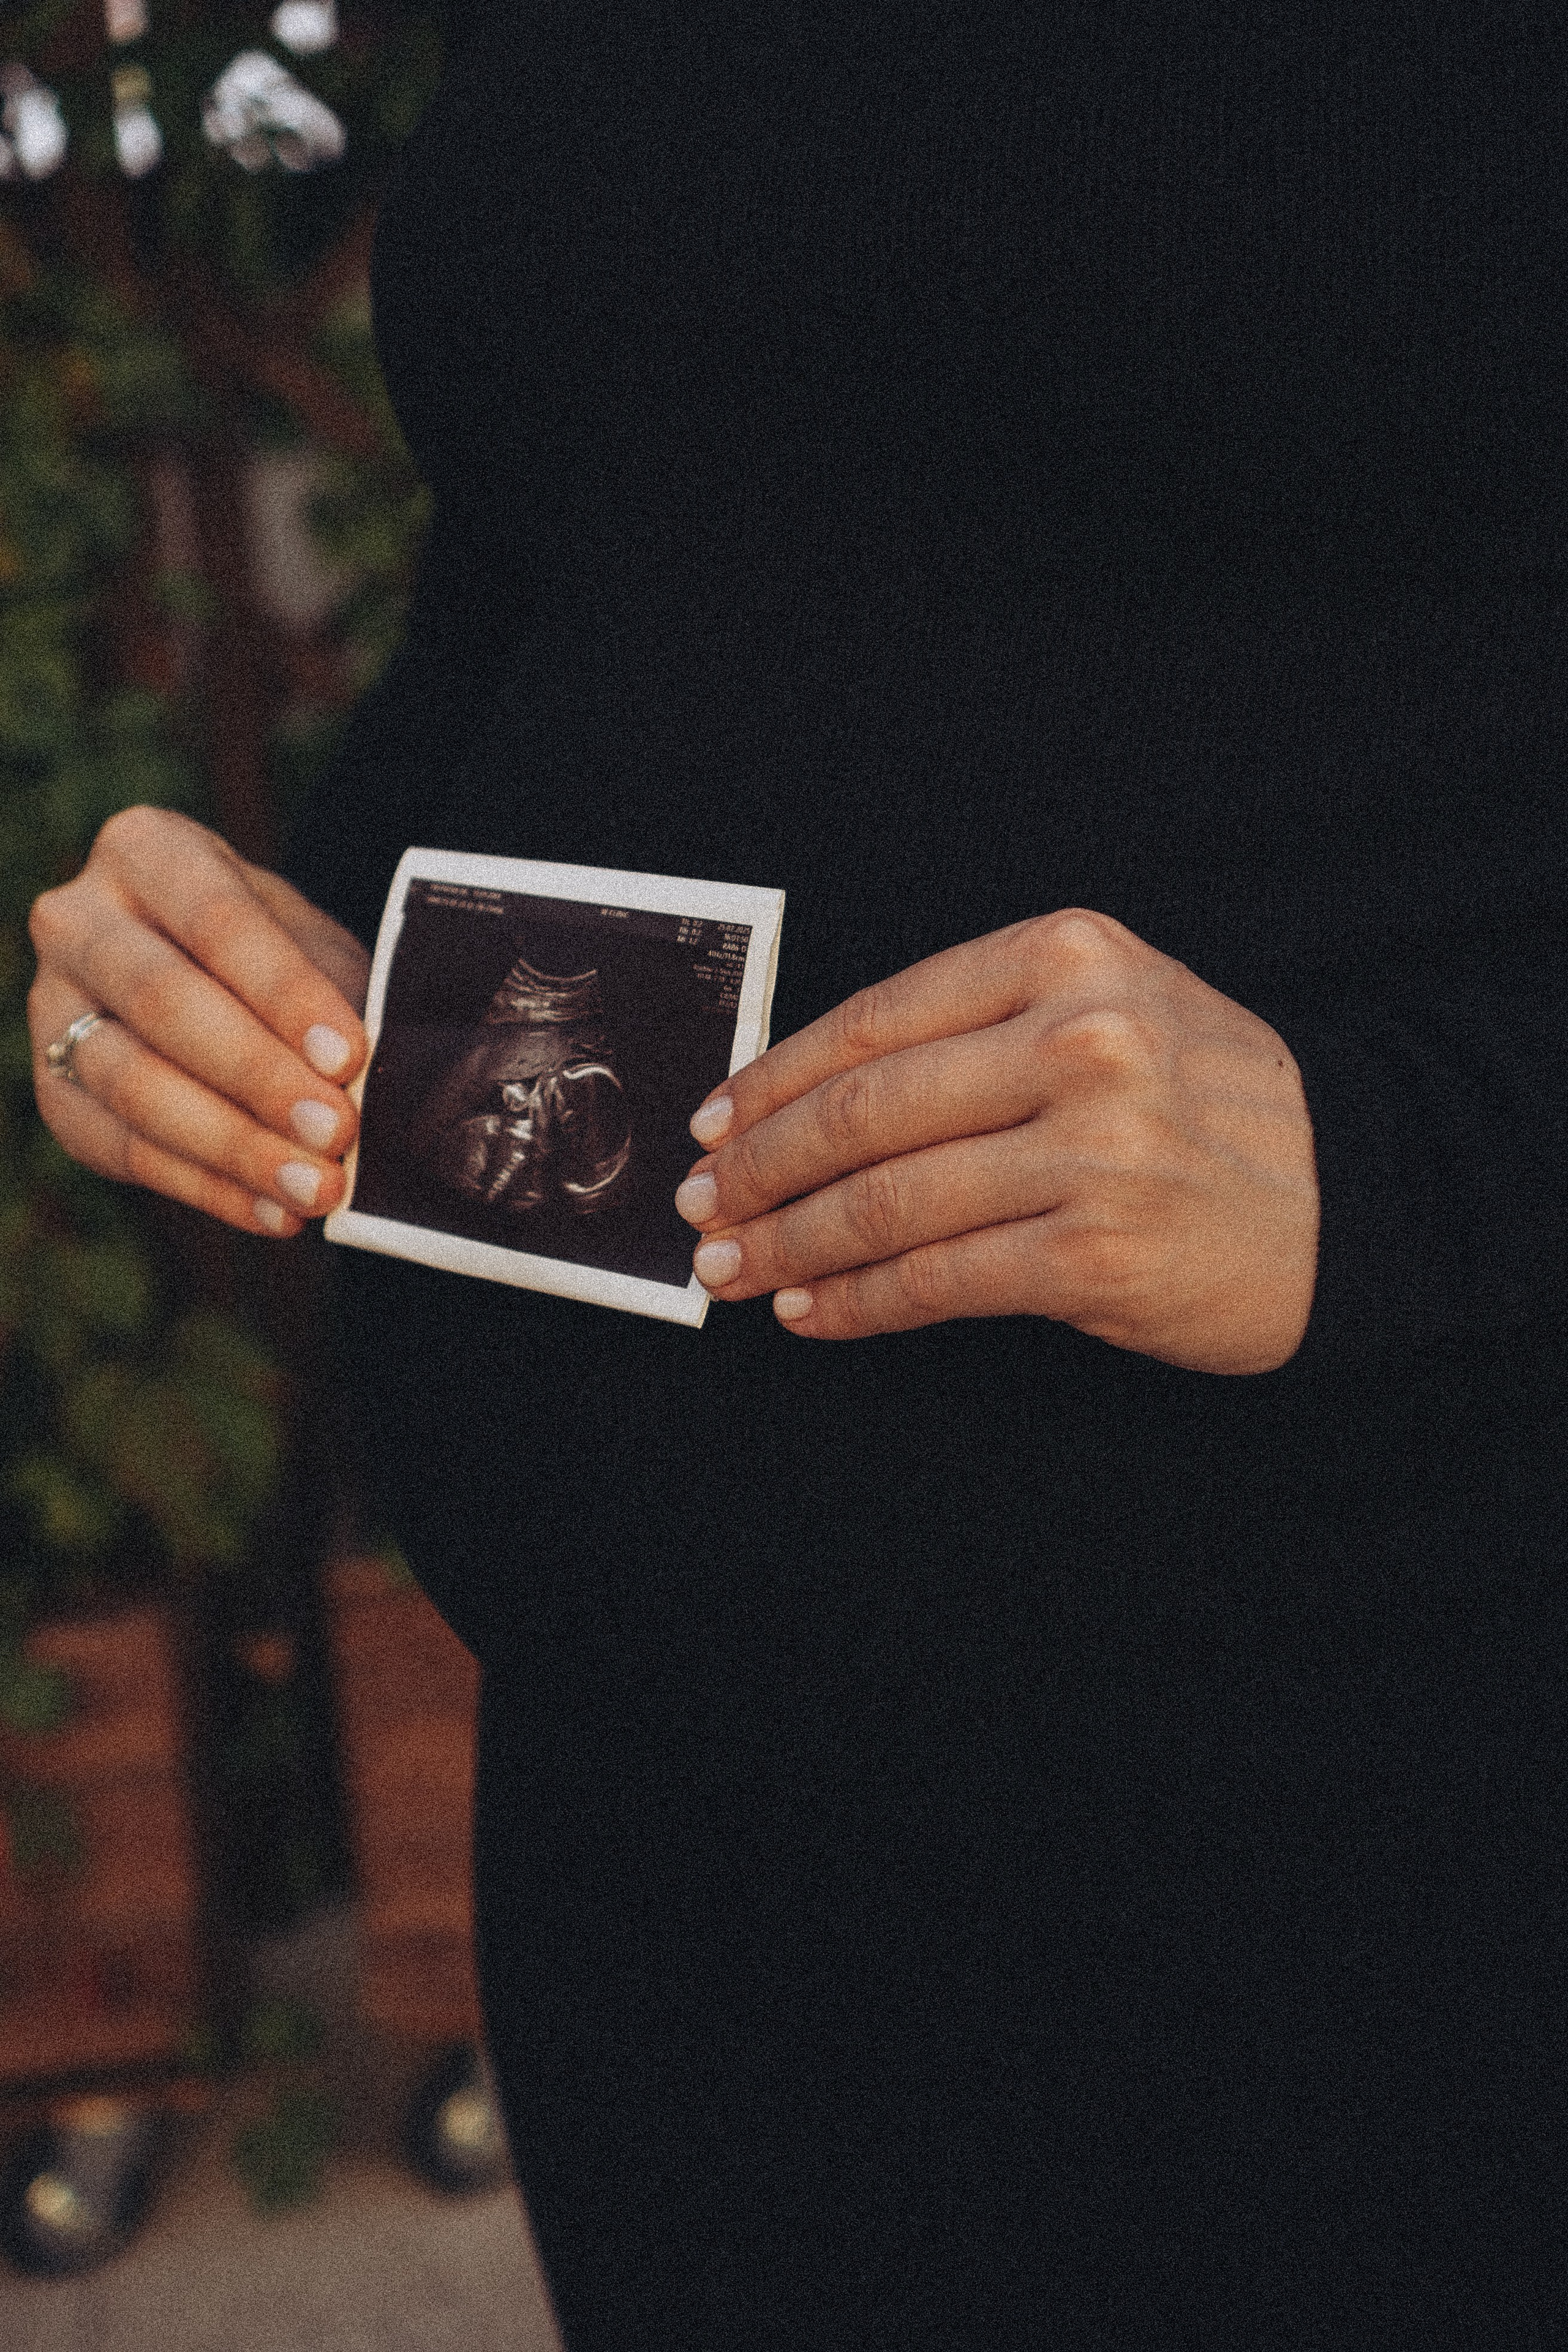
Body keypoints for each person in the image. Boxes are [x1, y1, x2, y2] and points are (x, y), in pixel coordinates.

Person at [28, 6, 1567, 2345]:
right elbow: (569, 577)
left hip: (1383, 1824)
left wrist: (1406, 1164)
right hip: (674, 1864)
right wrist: (266, 975)